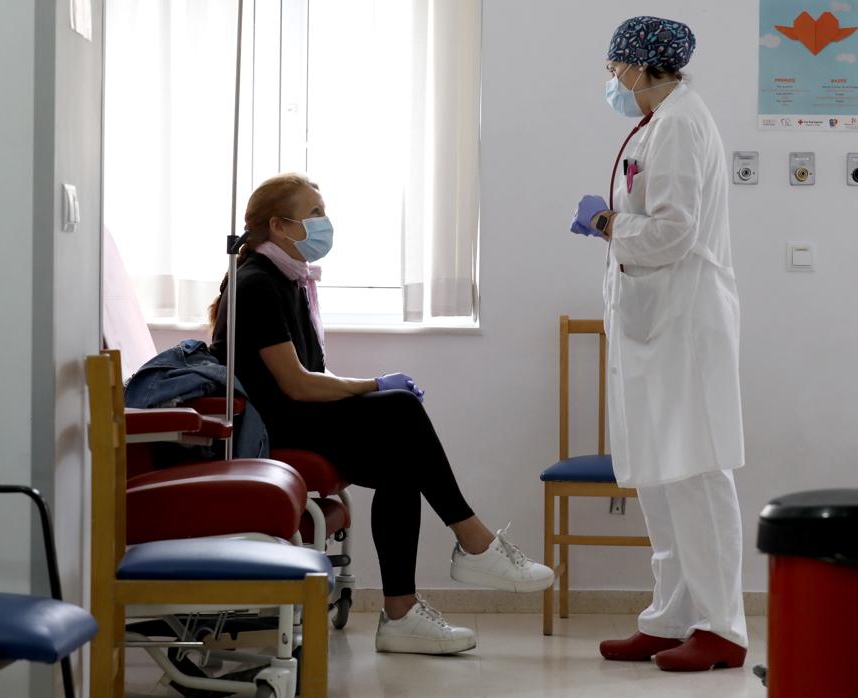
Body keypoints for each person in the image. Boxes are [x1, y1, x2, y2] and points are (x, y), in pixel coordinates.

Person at [209, 173, 554, 656]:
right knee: (400, 408)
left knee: (400, 464)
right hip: (273, 429)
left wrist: (369, 389)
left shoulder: (288, 282)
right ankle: (474, 542)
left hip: (295, 416)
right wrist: (375, 386)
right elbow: (297, 384)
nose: (324, 223)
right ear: (279, 226)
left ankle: (401, 615)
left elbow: (310, 377)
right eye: (314, 214)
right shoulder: (257, 284)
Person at [568, 17, 748, 672]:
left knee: (695, 471)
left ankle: (721, 627)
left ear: (643, 66)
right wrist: (616, 227)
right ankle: (670, 616)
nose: (613, 79)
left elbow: (674, 232)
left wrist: (609, 222)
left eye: (617, 67)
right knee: (658, 476)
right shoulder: (659, 121)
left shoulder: (681, 123)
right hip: (654, 322)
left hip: (686, 321)